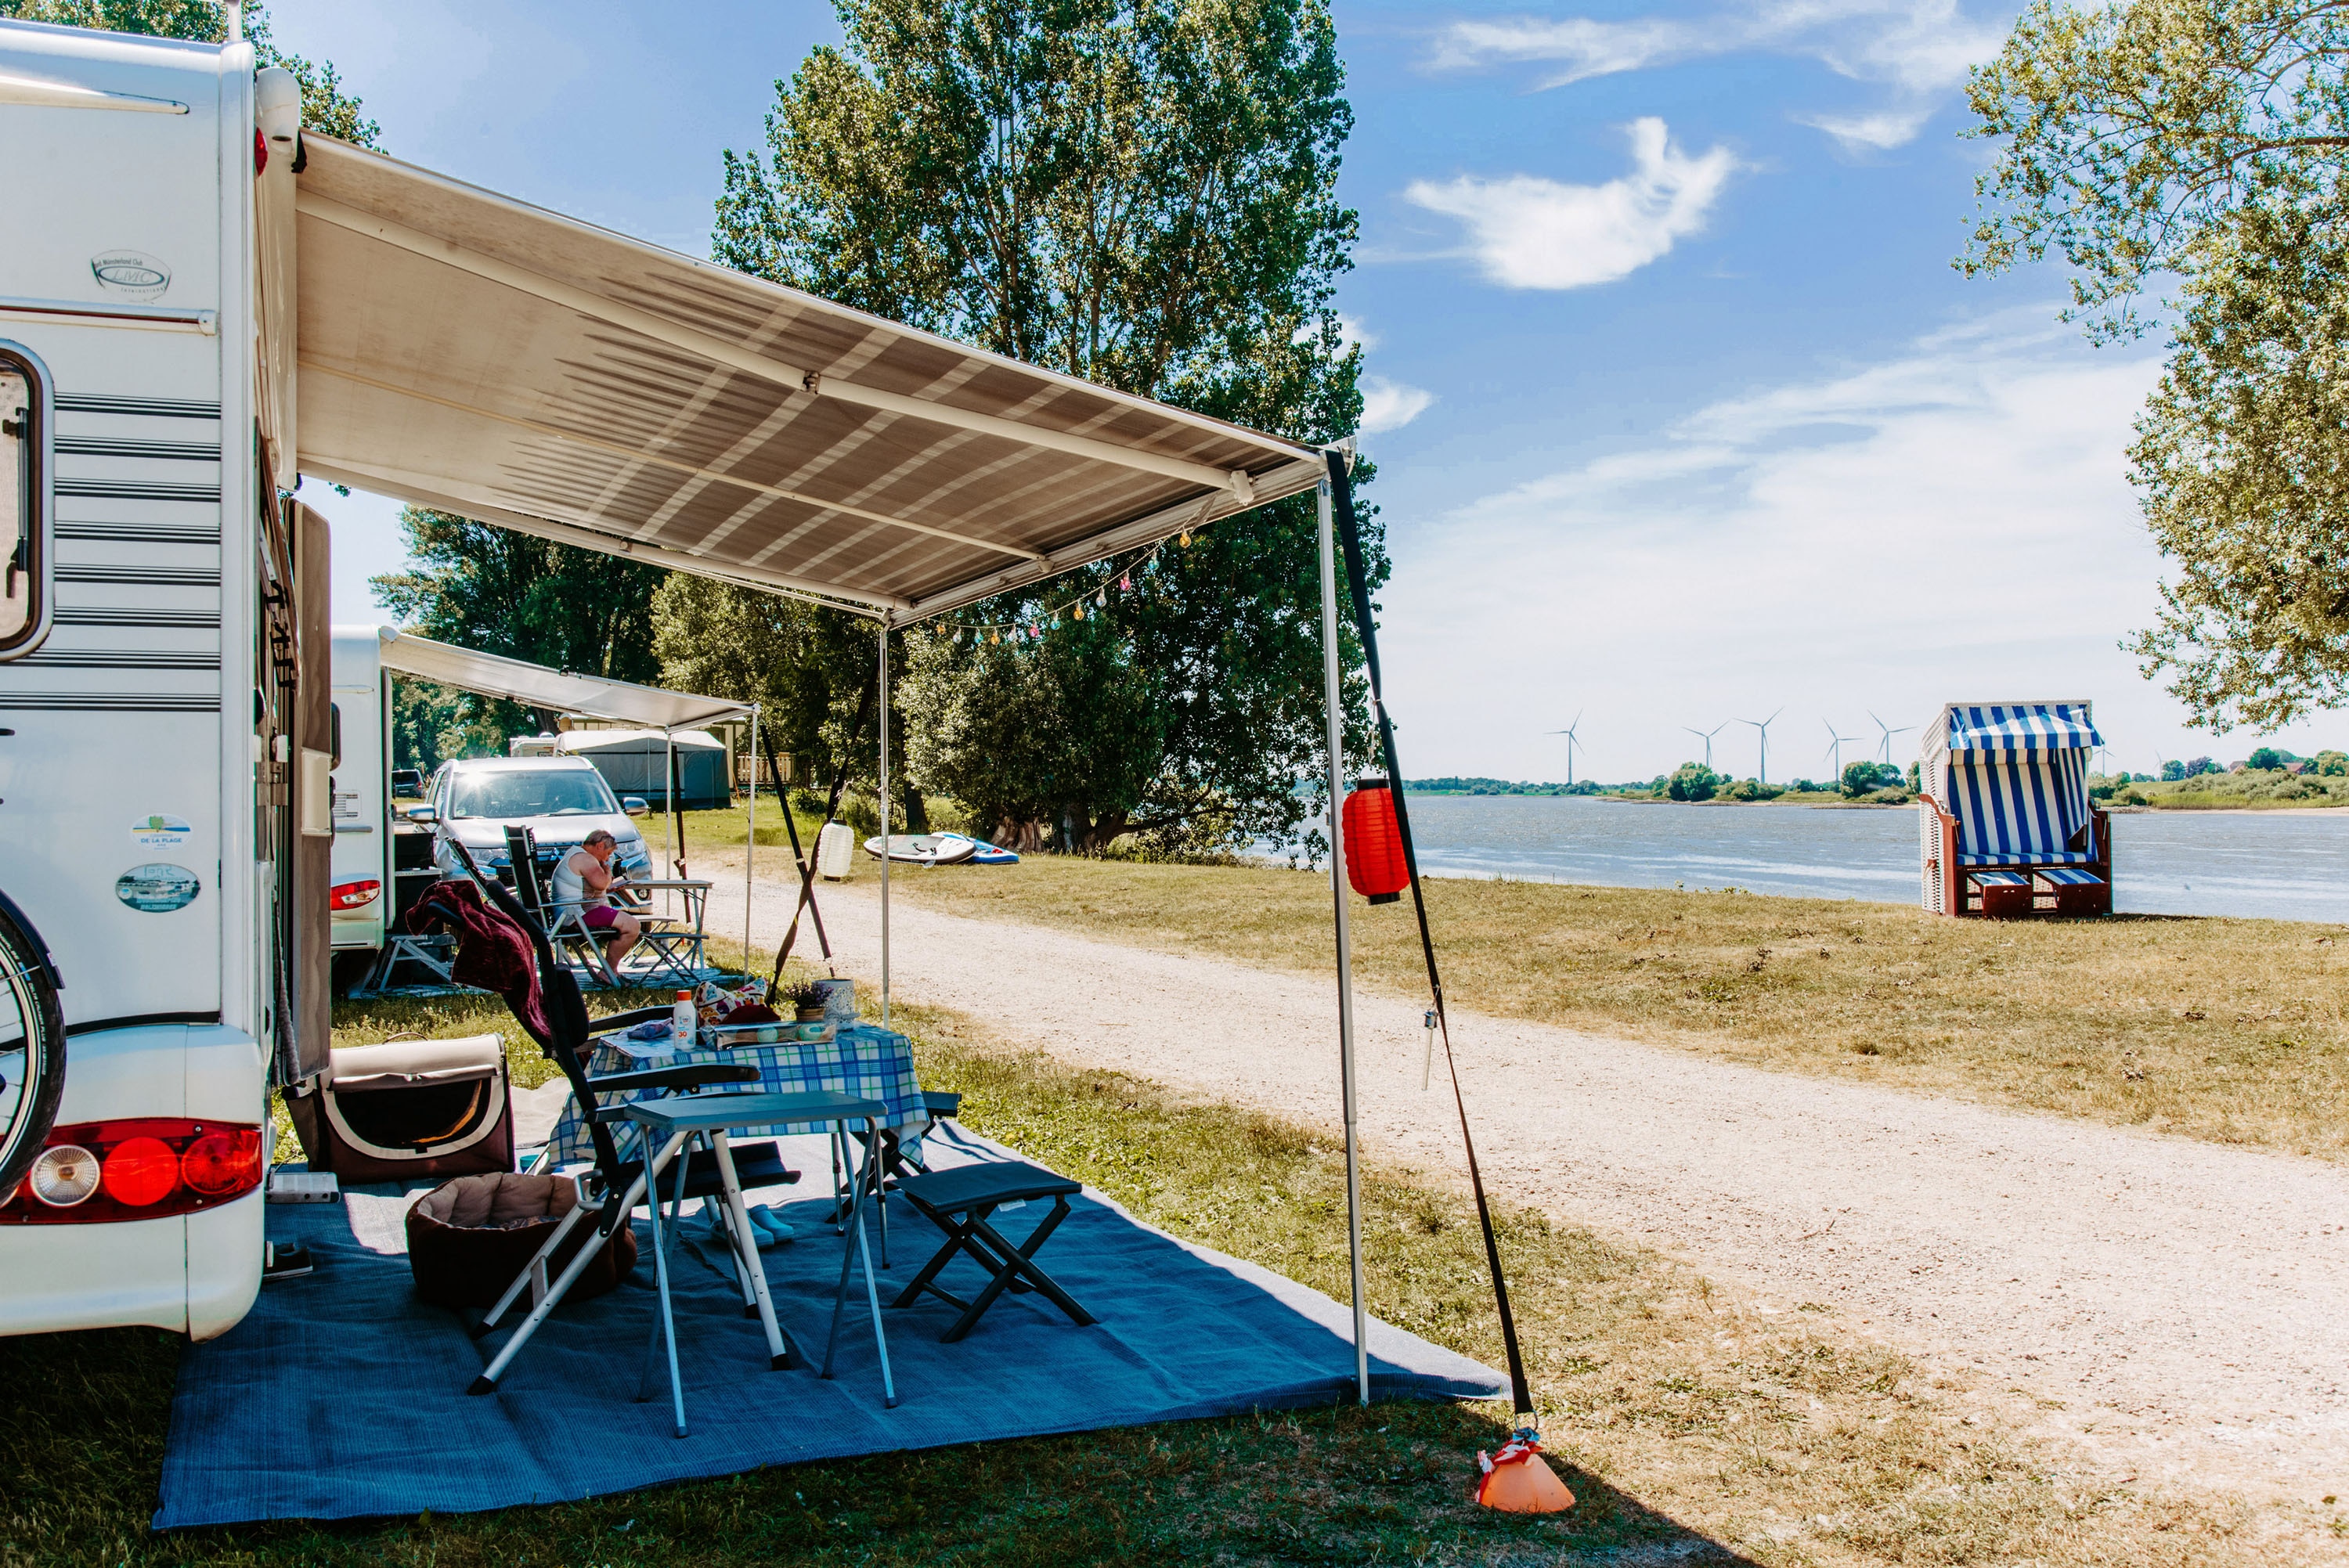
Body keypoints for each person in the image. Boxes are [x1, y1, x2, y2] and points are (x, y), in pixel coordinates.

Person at [550, 829, 641, 964]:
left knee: (628, 924)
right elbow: (601, 884)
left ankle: (609, 970)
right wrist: (608, 871)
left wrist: (607, 887)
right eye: (608, 853)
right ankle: (609, 970)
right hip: (576, 914)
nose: (607, 859)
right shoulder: (586, 858)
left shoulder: (576, 854)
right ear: (600, 846)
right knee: (632, 925)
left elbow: (588, 886)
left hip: (570, 913)